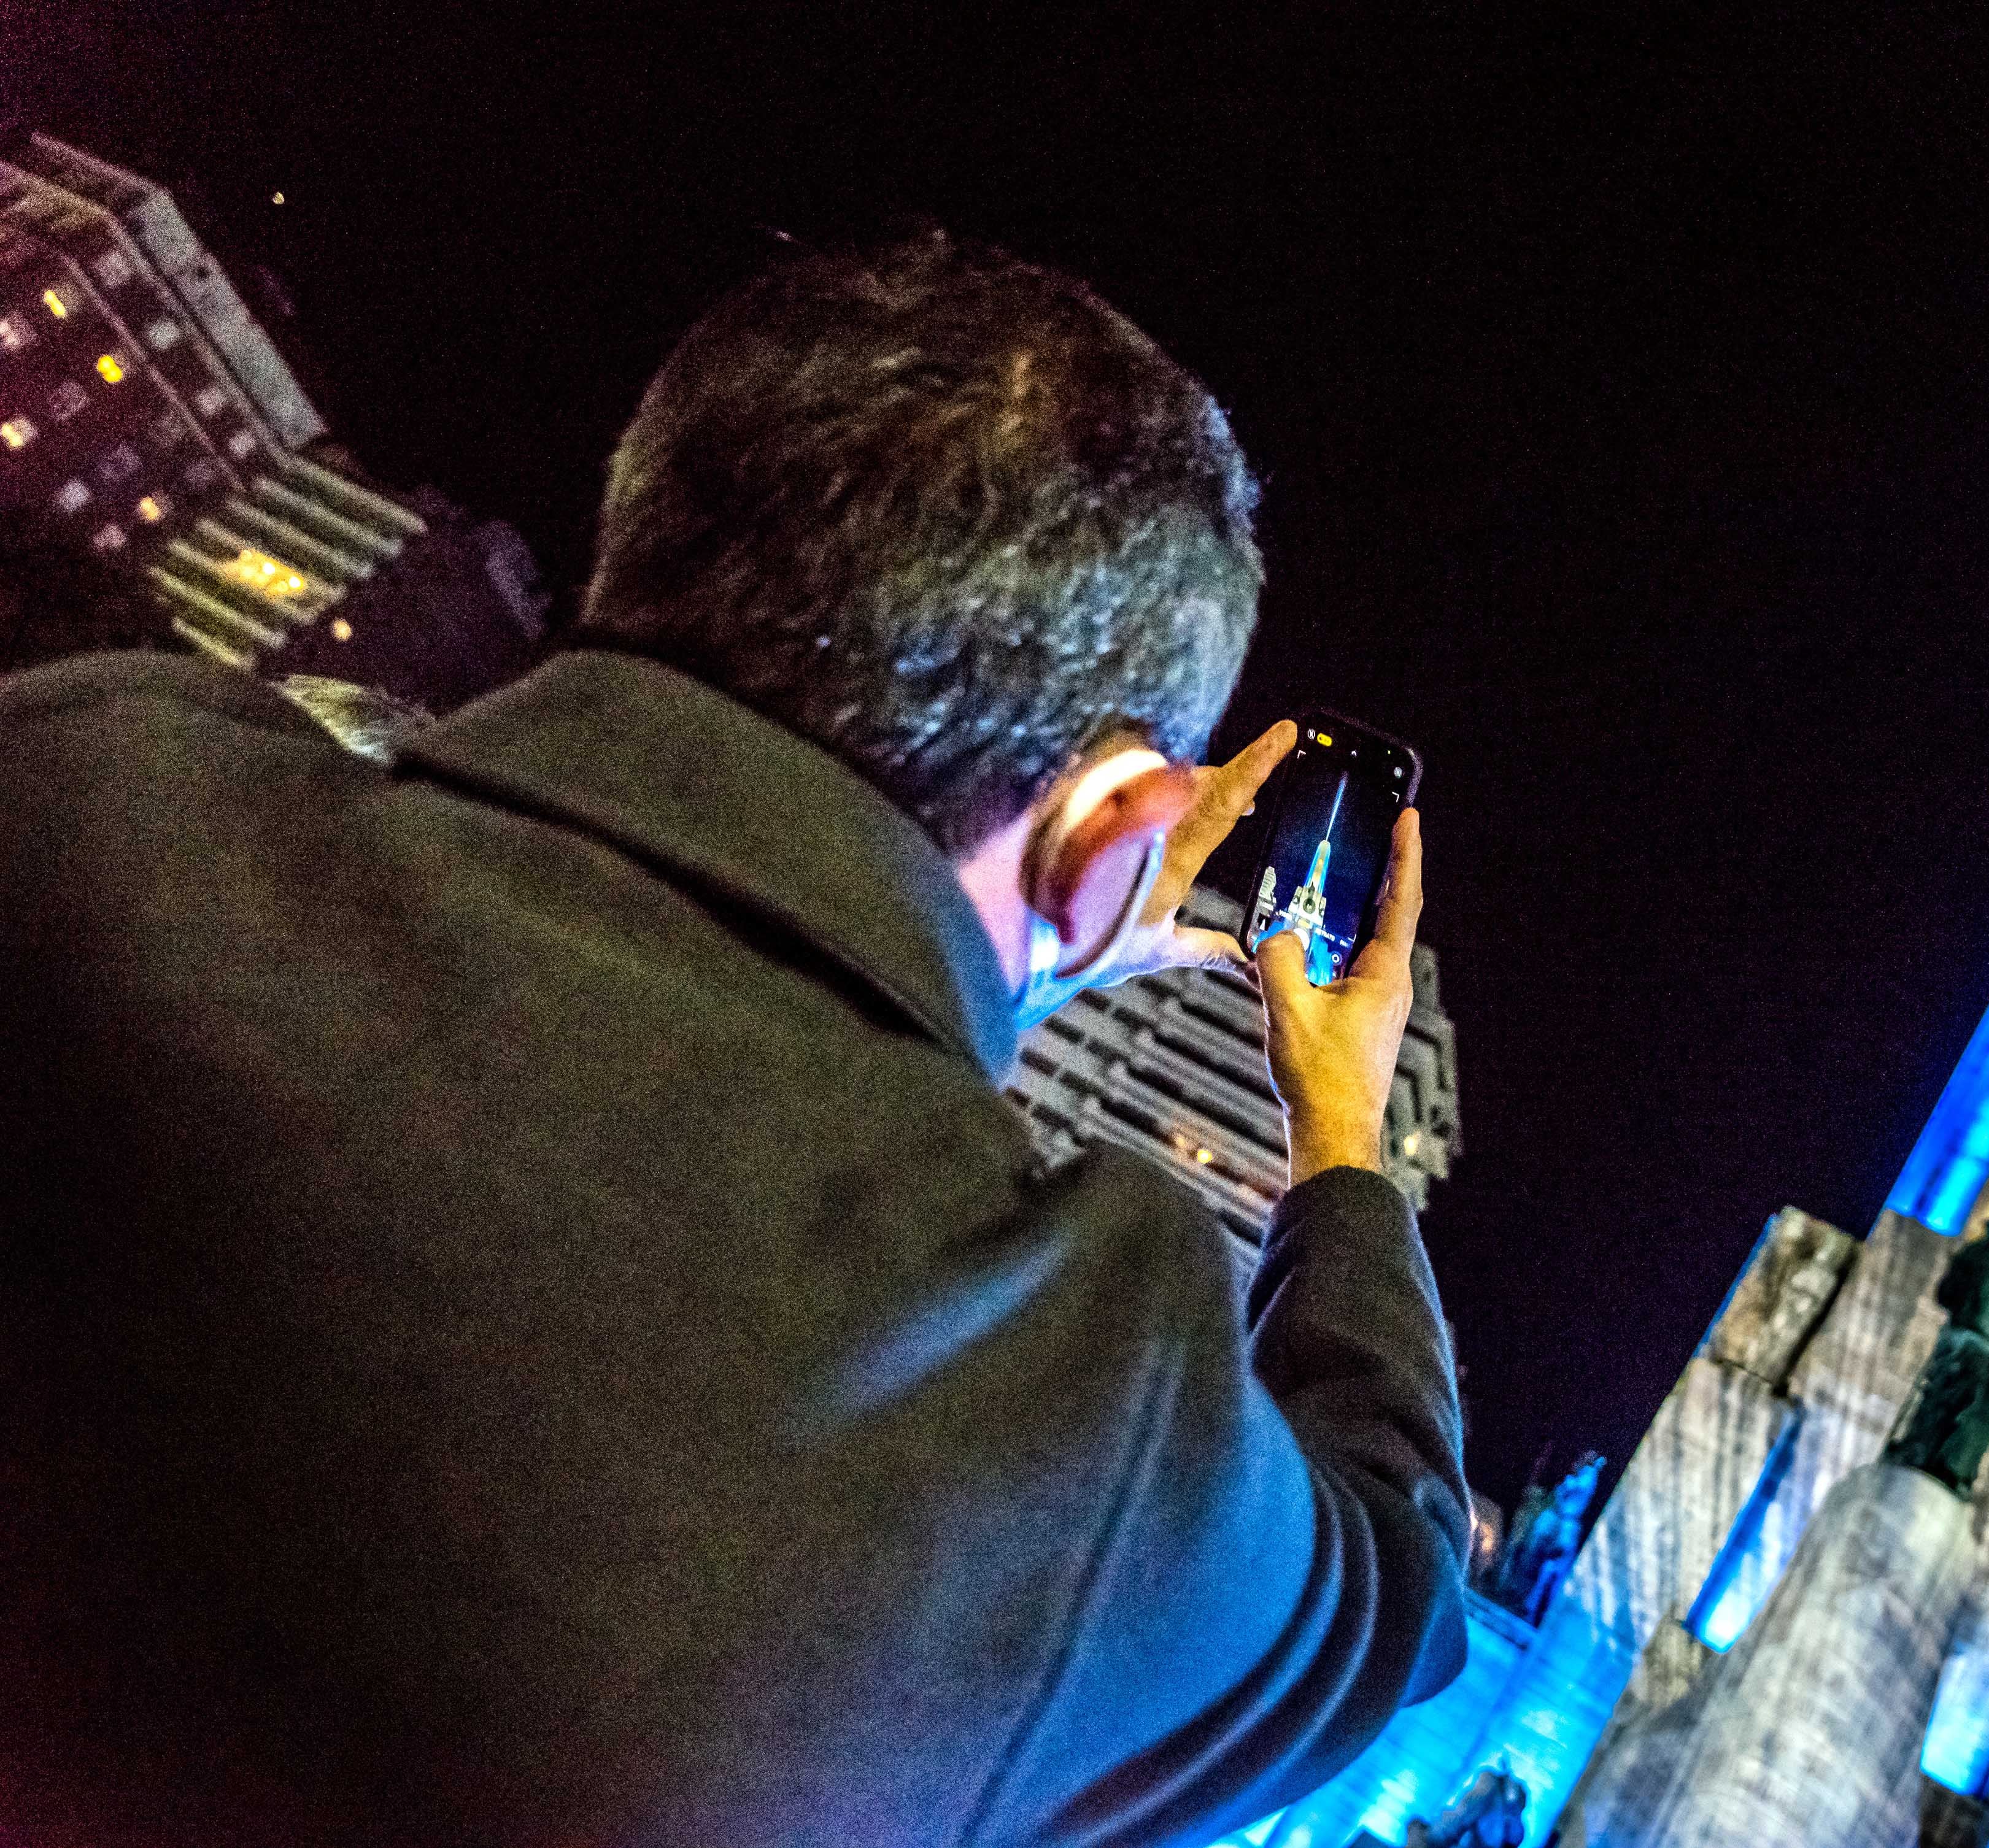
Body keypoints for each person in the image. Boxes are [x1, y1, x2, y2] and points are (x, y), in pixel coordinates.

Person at [0, 227, 1468, 1847]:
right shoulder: (1070, 1397)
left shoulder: (91, 789)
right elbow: (1395, 1576)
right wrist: (1339, 1138)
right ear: (1118, 828)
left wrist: (1019, 929)